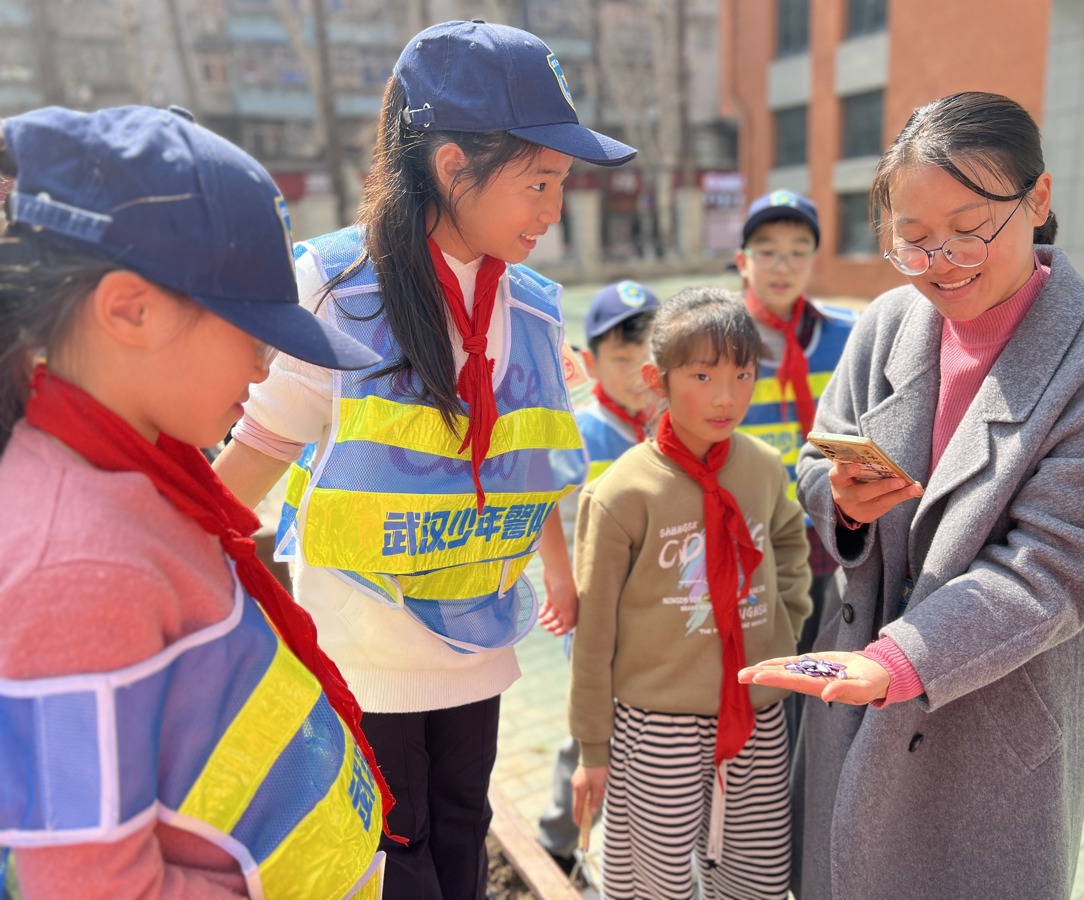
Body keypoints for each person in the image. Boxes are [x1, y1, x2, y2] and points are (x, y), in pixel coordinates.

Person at [212, 20, 637, 899]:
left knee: (463, 828)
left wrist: (555, 567)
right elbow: (254, 454)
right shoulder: (336, 288)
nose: (554, 209)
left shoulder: (532, 304)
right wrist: (160, 568)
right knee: (394, 856)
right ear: (451, 166)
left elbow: (532, 458)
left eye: (560, 184)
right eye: (538, 183)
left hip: (481, 633)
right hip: (364, 643)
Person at [739, 91, 1084, 900]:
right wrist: (840, 500)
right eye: (913, 238)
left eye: (971, 227)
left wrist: (896, 660)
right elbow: (812, 462)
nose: (941, 260)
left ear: (1039, 199)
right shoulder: (885, 325)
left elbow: (1051, 571)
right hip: (851, 710)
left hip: (992, 732)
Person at [0, 105, 389, 899]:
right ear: (129, 310)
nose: (266, 366)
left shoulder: (147, 478)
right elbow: (90, 884)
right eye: (252, 332)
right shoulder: (78, 565)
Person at [569, 288, 812, 900]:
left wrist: (783, 620)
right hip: (658, 726)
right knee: (657, 880)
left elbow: (788, 541)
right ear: (659, 379)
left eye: (741, 374)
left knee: (757, 877)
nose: (726, 396)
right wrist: (592, 746)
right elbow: (593, 634)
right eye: (702, 375)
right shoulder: (623, 492)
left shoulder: (759, 466)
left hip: (757, 714)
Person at [533, 280, 659, 874]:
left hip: (662, 623)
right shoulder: (578, 434)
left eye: (651, 357)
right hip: (595, 623)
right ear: (589, 362)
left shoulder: (675, 431)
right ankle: (565, 844)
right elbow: (540, 513)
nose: (639, 373)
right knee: (592, 737)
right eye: (623, 359)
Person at [735, 191, 857, 655]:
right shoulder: (717, 337)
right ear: (742, 261)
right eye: (767, 251)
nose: (782, 266)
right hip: (746, 527)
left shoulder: (849, 333)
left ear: (812, 261)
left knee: (816, 653)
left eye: (797, 252)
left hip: (822, 525)